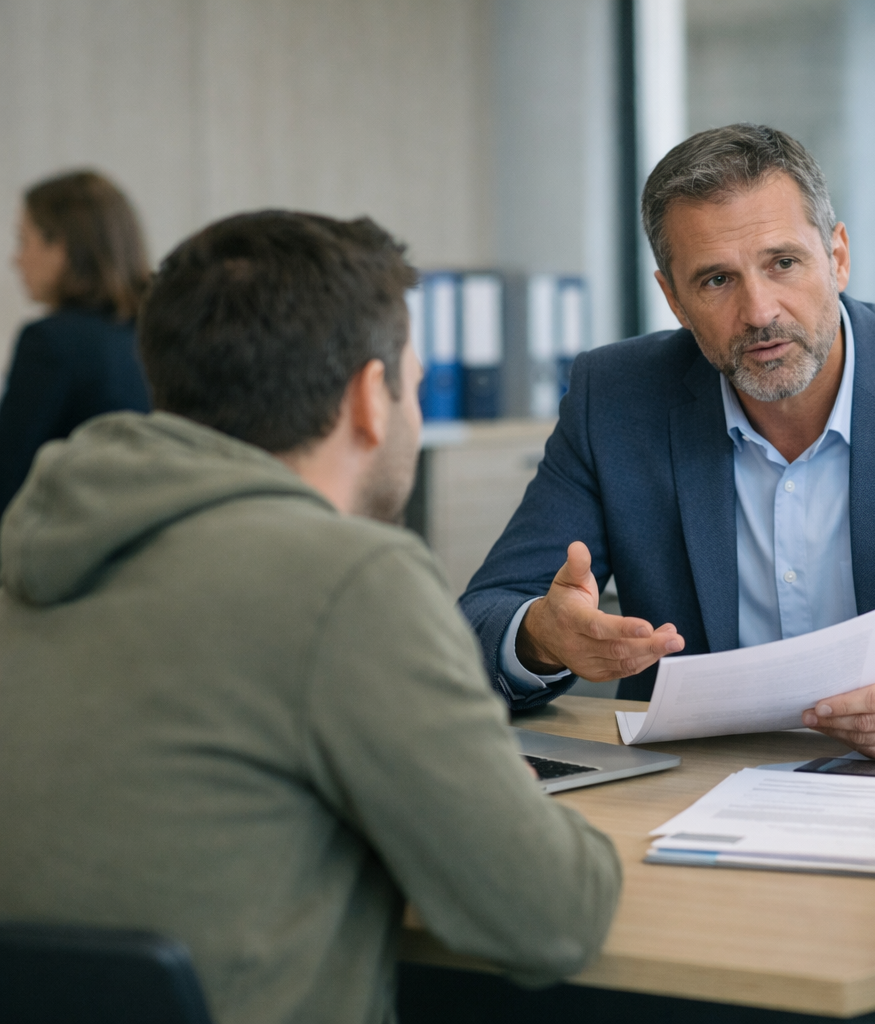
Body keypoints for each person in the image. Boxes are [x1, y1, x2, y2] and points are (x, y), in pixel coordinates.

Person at [0, 211, 622, 1024]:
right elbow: (555, 914)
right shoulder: (350, 584)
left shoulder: (31, 546)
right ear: (371, 397)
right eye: (413, 379)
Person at [461, 124, 875, 760]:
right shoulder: (617, 398)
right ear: (673, 299)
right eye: (716, 280)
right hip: (694, 784)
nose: (759, 310)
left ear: (838, 257)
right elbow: (481, 616)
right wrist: (540, 635)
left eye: (782, 263)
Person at [0, 169, 152, 515]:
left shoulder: (50, 342)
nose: (15, 259)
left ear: (62, 247)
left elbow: (8, 476)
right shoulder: (156, 333)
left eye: (24, 241)